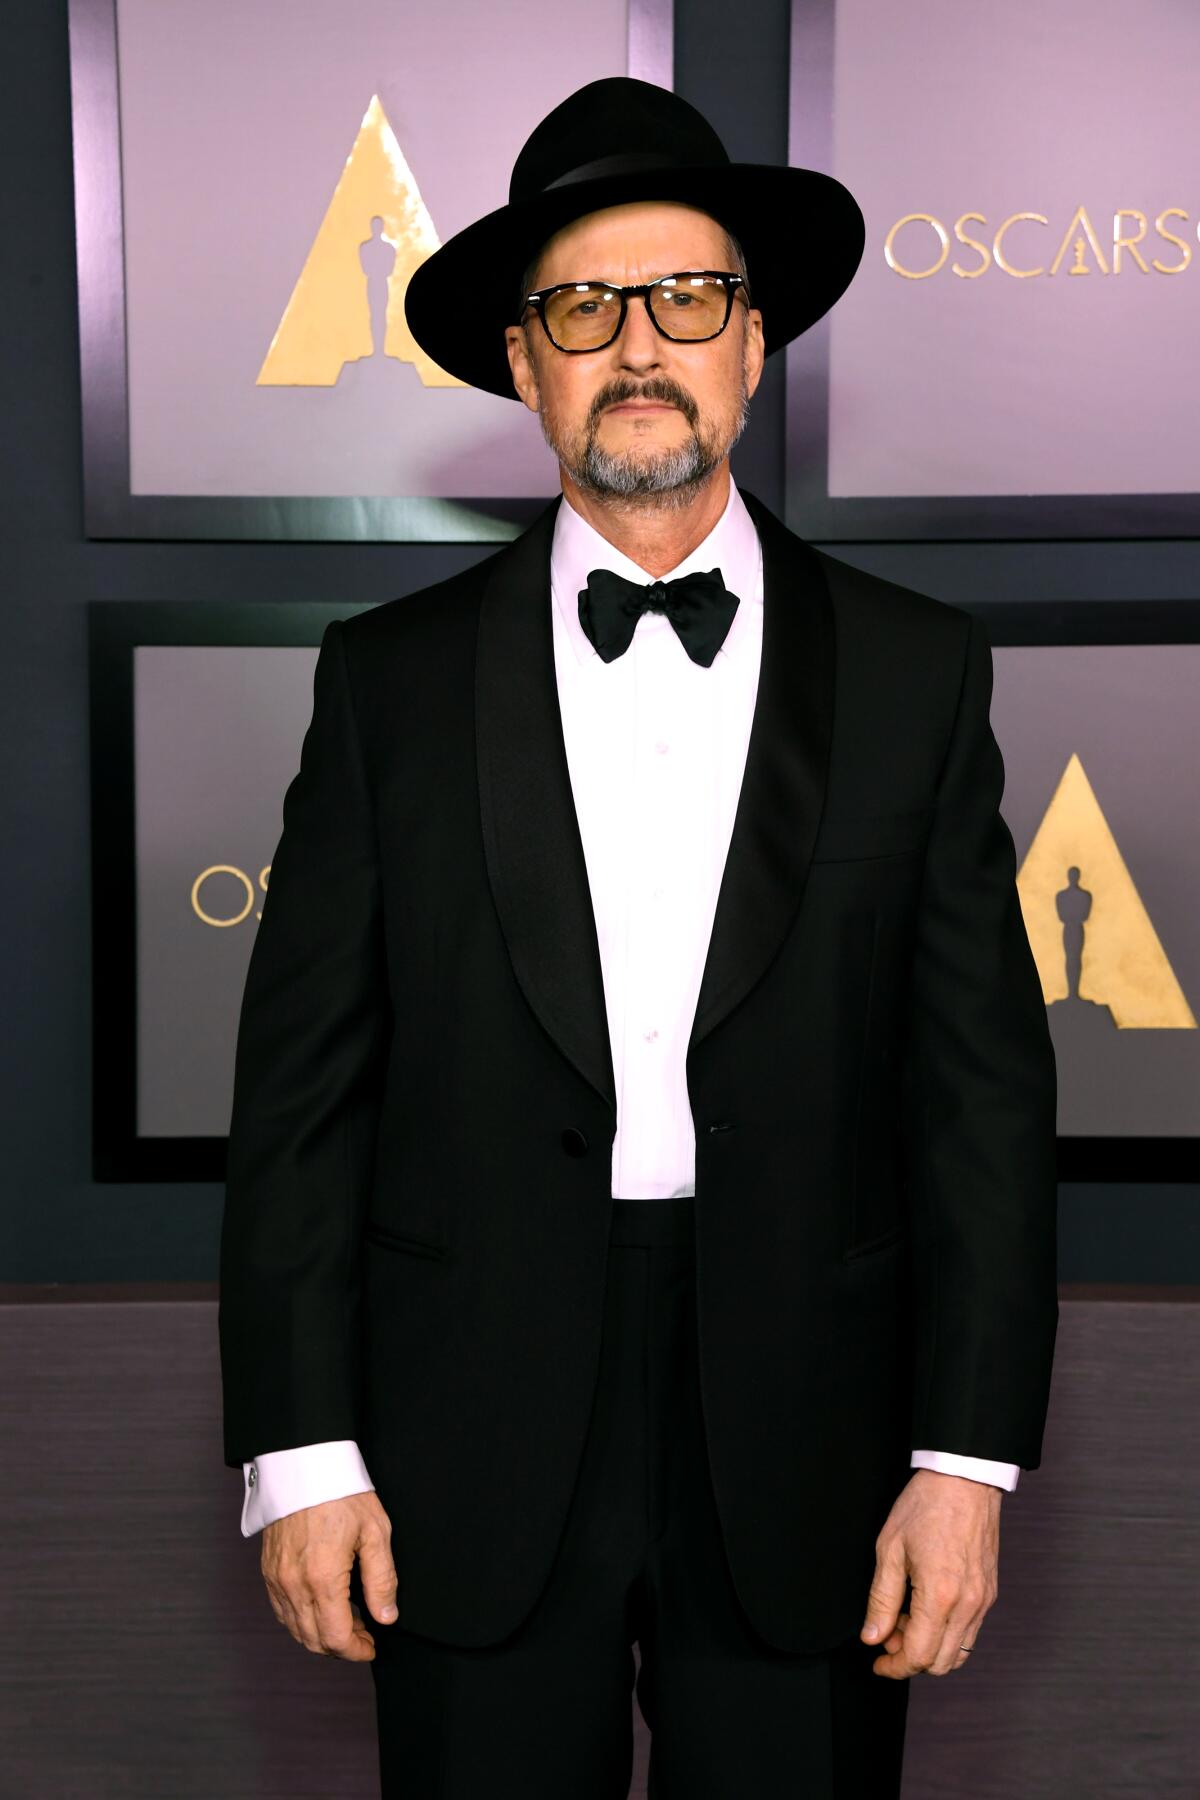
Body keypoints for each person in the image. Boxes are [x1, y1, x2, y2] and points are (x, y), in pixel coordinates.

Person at [218, 76, 1058, 1798]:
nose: (639, 347)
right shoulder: (385, 684)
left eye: (688, 298)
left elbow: (979, 1105)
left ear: (757, 344)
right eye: (583, 310)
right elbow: (301, 1101)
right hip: (464, 1423)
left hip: (813, 1429)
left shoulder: (918, 672)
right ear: (522, 366)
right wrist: (298, 1449)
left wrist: (967, 1457)